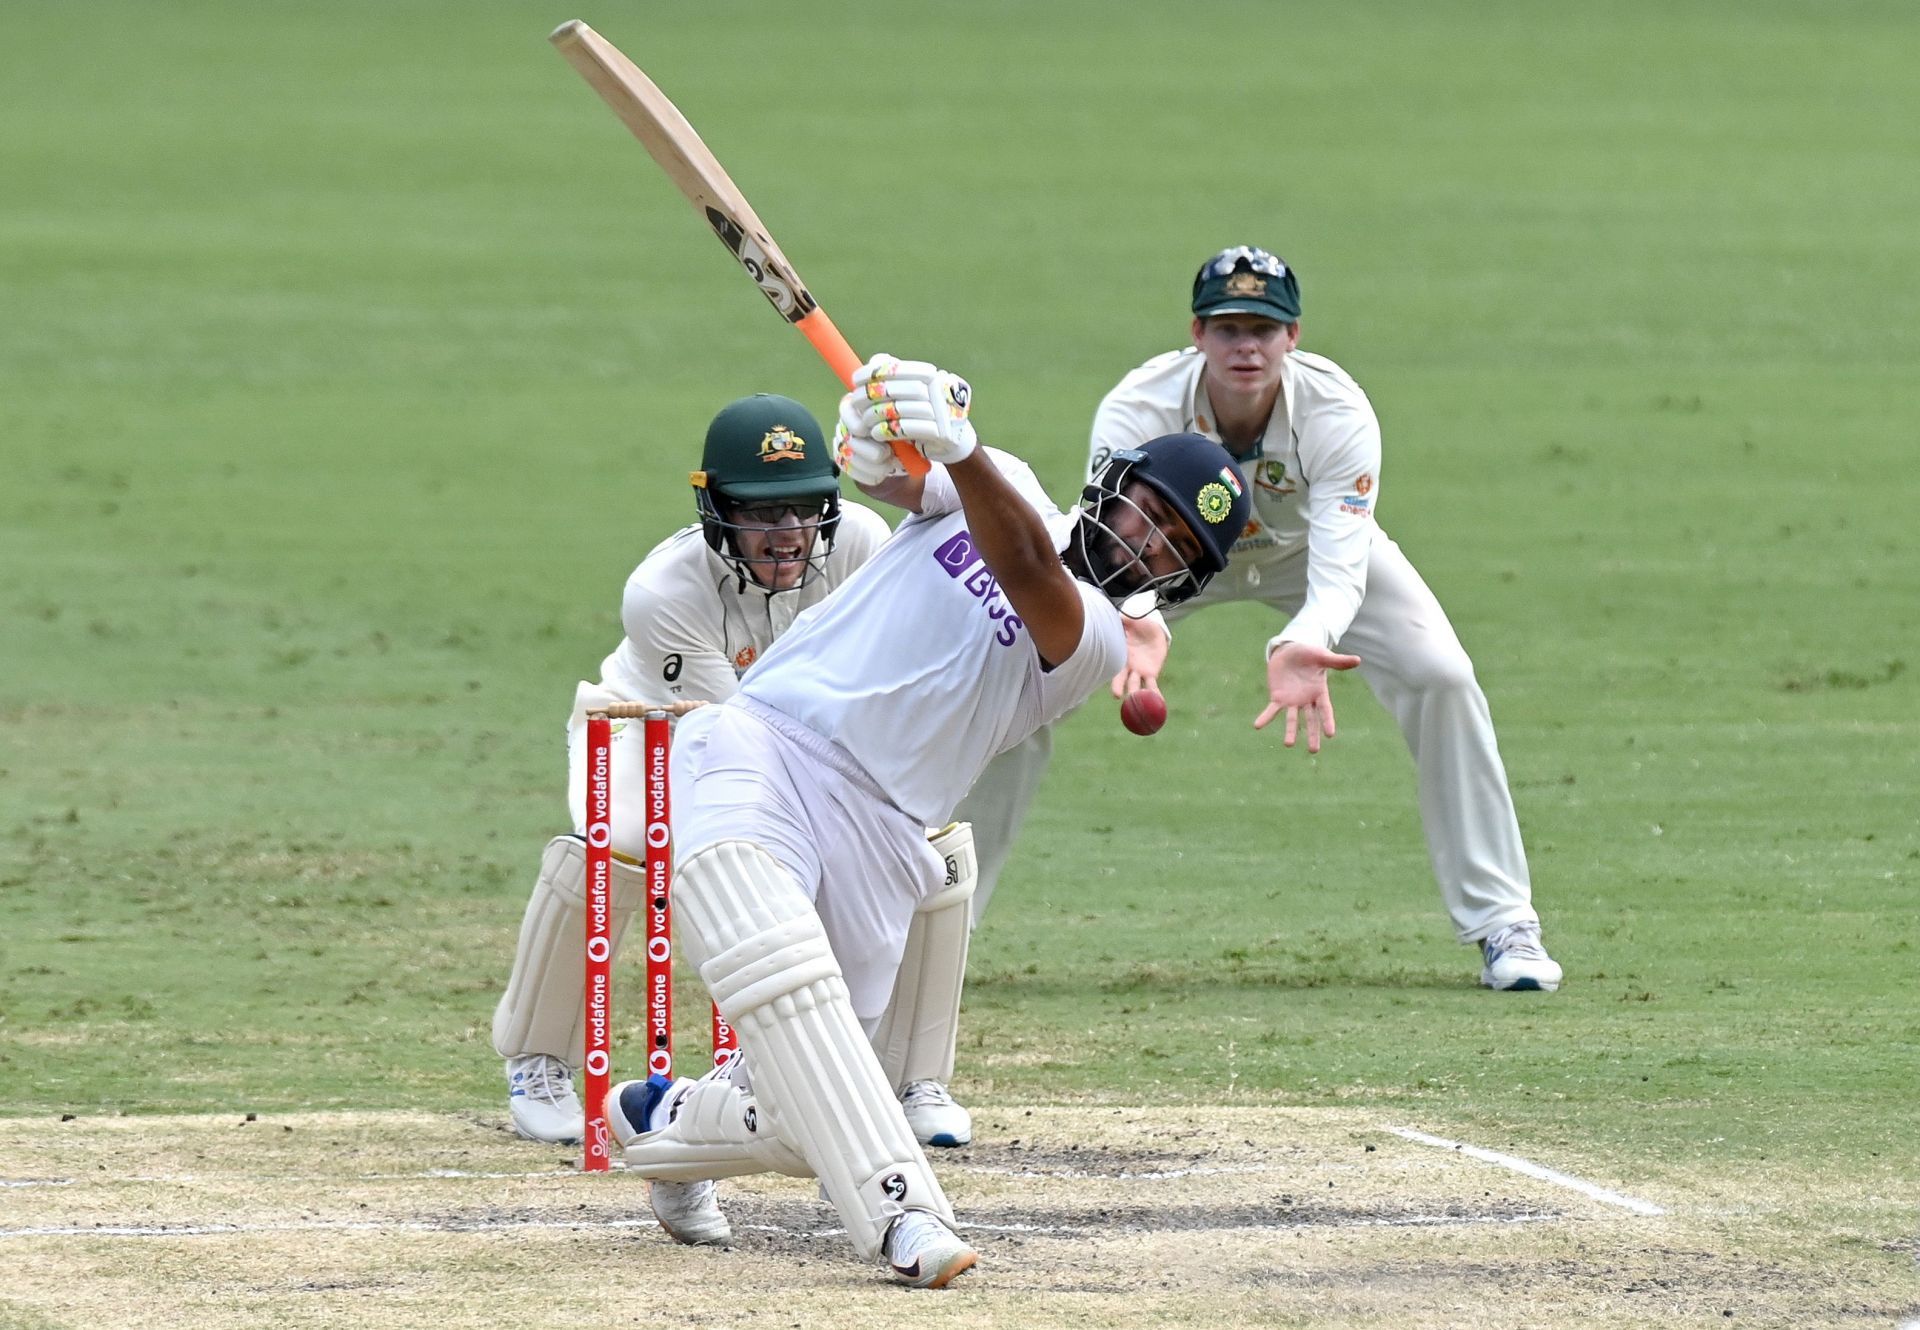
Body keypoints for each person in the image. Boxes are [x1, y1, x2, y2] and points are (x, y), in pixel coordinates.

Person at [600, 355, 1306, 1287]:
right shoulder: (1000, 481)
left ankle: (662, 1125)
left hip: (884, 833)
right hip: (765, 746)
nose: (1150, 547)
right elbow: (879, 472)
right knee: (777, 965)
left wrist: (963, 449)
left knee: (805, 1112)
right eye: (1152, 515)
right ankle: (906, 1215)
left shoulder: (1091, 638)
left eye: (1178, 550)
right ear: (1112, 484)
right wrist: (881, 414)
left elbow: (1020, 562)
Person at [490, 393, 982, 1146]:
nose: (786, 534)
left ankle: (915, 1079)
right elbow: (747, 727)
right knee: (623, 840)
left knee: (937, 844)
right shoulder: (664, 591)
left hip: (823, 732)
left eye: (801, 509)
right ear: (717, 508)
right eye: (760, 512)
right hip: (654, 723)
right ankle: (537, 1058)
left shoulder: (863, 540)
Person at [1074, 244, 1562, 991]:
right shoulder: (1136, 409)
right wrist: (1139, 619)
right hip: (1172, 557)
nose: (1246, 347)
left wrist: (1304, 637)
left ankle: (1506, 924)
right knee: (1024, 661)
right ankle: (941, 923)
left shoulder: (1337, 411)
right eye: (1228, 327)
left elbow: (1341, 559)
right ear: (1197, 334)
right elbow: (1115, 544)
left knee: (1444, 674)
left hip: (1305, 553)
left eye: (1263, 330)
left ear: (1293, 337)